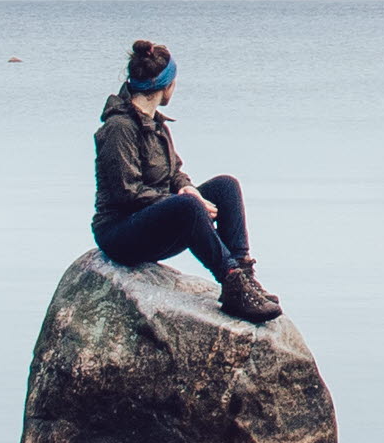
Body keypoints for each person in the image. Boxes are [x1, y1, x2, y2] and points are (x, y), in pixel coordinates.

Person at [93, 38, 281, 321]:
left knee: (225, 186)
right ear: (167, 85)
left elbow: (174, 172)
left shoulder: (156, 123)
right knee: (188, 205)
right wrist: (181, 201)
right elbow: (127, 193)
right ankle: (231, 281)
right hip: (119, 234)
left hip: (155, 220)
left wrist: (186, 187)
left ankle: (244, 276)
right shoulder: (120, 127)